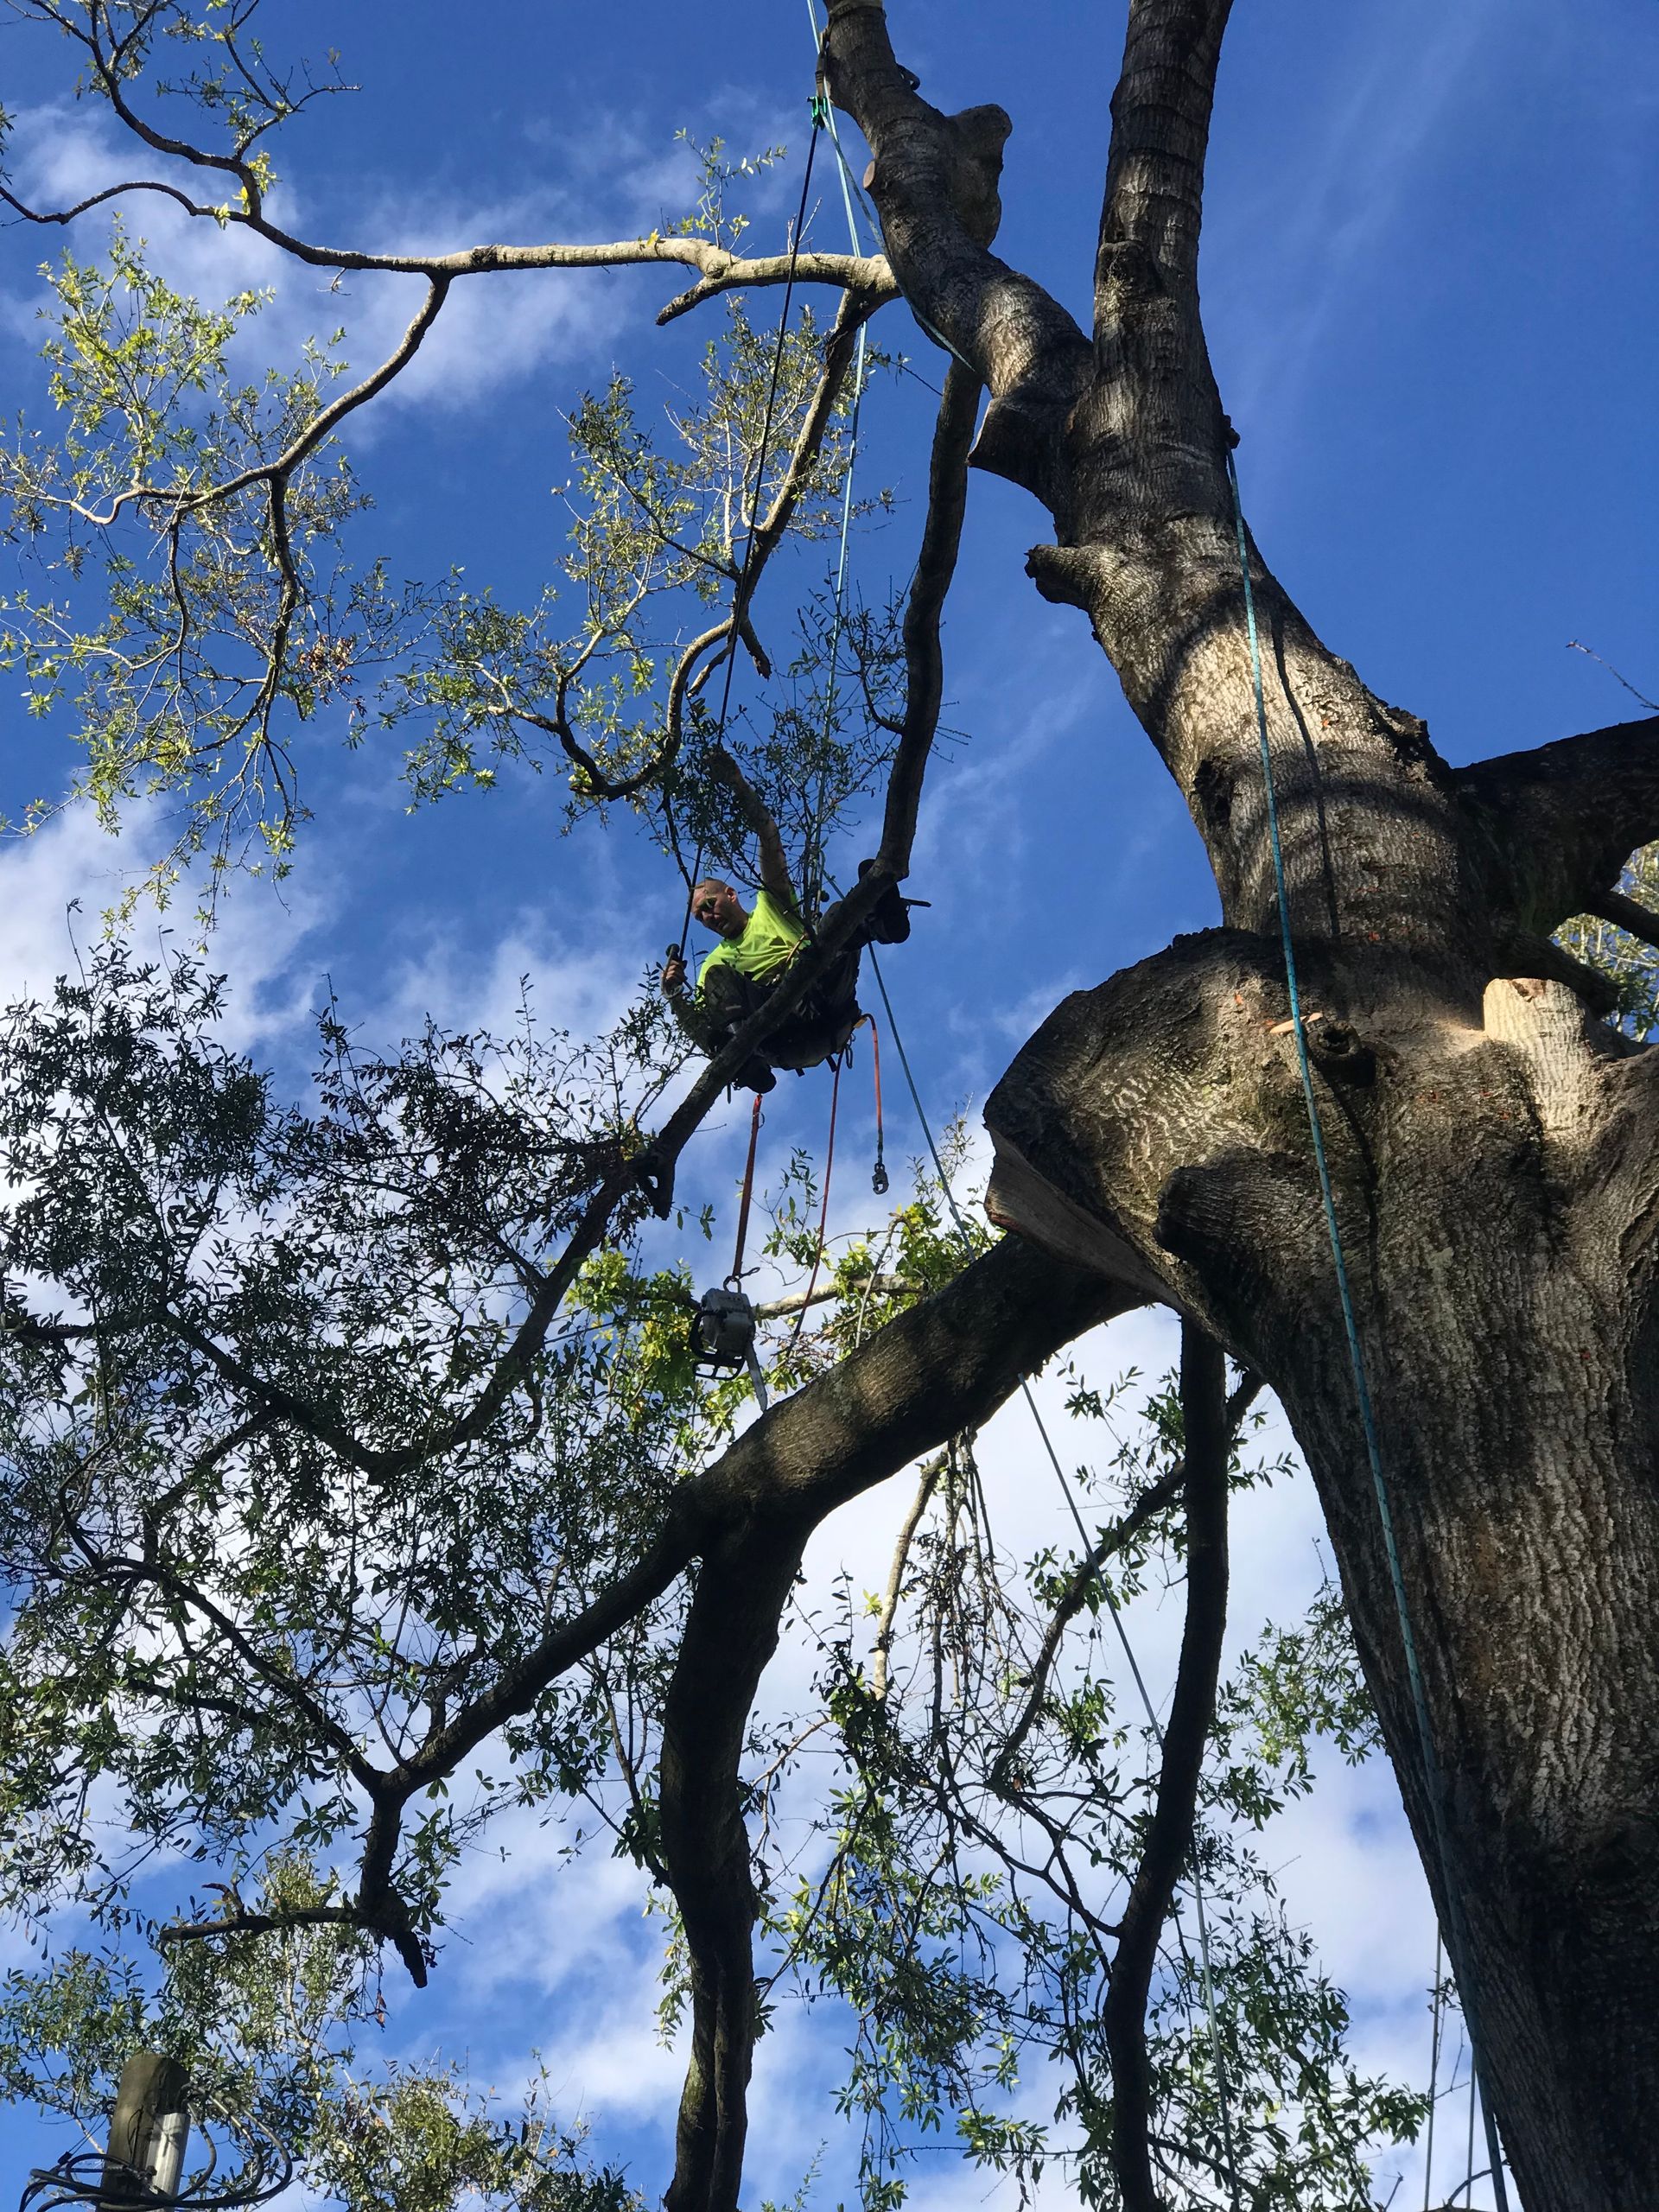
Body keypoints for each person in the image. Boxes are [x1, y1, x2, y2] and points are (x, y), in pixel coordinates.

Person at [662, 750, 911, 1094]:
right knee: (716, 980)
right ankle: (743, 1059)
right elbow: (704, 1025)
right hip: (780, 1035)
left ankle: (881, 922)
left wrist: (736, 783)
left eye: (709, 904)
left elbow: (769, 838)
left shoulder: (771, 906)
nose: (707, 917)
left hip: (828, 1002)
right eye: (700, 916)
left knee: (836, 914)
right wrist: (674, 994)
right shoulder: (715, 966)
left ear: (730, 894)